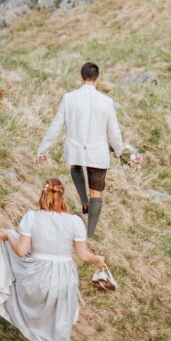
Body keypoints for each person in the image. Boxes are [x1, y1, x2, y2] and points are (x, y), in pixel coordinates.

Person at [0, 177, 105, 341]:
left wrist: (9, 236)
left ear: (43, 195)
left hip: (37, 273)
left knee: (30, 314)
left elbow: (21, 251)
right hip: (63, 276)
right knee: (60, 323)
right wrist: (98, 259)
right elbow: (83, 255)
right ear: (61, 196)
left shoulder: (31, 218)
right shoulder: (74, 222)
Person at [35, 61, 123, 237]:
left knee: (75, 166)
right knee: (96, 192)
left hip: (75, 150)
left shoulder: (69, 98)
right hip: (97, 153)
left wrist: (42, 149)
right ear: (98, 78)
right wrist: (119, 151)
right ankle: (89, 234)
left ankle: (84, 200)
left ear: (81, 77)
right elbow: (114, 131)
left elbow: (56, 126)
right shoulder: (106, 102)